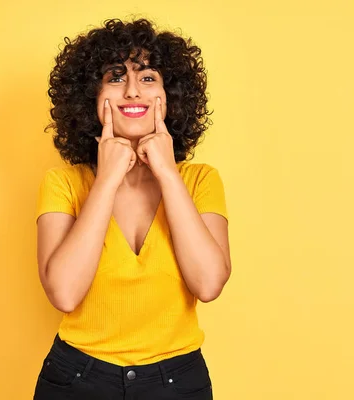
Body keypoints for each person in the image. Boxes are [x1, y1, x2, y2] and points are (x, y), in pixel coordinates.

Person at [33, 18, 231, 400]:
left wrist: (167, 171)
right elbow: (64, 294)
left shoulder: (200, 180)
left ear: (169, 94)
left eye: (147, 78)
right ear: (92, 95)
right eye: (115, 77)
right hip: (77, 378)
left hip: (178, 380)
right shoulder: (63, 184)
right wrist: (106, 179)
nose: (132, 92)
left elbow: (208, 284)